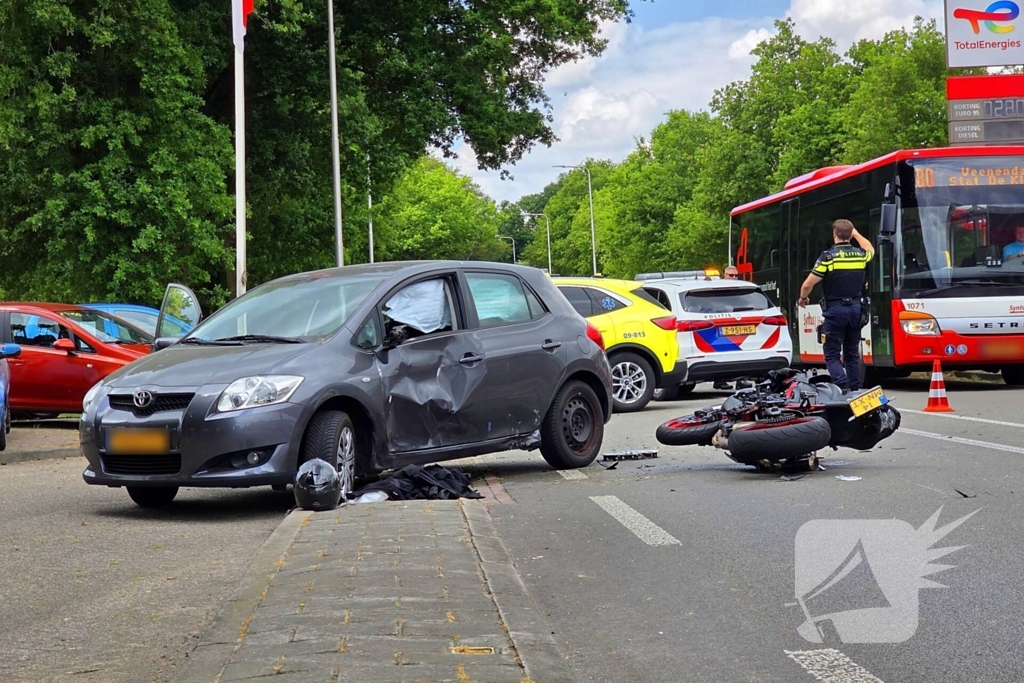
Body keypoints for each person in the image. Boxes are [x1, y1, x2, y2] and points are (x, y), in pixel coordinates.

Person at [798, 219, 874, 394]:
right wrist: (855, 233)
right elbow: (870, 248)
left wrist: (803, 298)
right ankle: (855, 390)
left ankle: (843, 387)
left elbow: (808, 284)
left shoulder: (828, 257)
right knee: (852, 353)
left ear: (834, 234)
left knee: (832, 353)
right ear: (849, 235)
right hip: (856, 310)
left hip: (836, 311)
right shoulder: (860, 255)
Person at [714, 264, 750, 391]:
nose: (734, 277)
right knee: (722, 351)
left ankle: (741, 380)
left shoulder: (740, 288)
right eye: (731, 275)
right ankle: (719, 380)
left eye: (736, 275)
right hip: (722, 324)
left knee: (742, 352)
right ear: (725, 275)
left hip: (738, 324)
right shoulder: (717, 289)